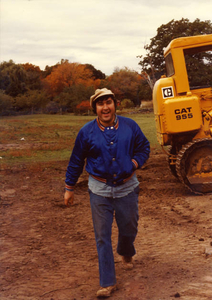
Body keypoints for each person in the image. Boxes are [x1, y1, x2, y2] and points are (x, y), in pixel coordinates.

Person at [64, 88, 150, 298]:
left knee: (129, 229)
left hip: (127, 187)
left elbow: (144, 148)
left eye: (108, 102)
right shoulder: (86, 132)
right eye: (100, 104)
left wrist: (134, 162)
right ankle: (107, 282)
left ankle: (126, 251)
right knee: (102, 236)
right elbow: (76, 160)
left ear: (115, 105)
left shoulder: (130, 126)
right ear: (95, 108)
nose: (105, 107)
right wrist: (69, 187)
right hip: (99, 189)